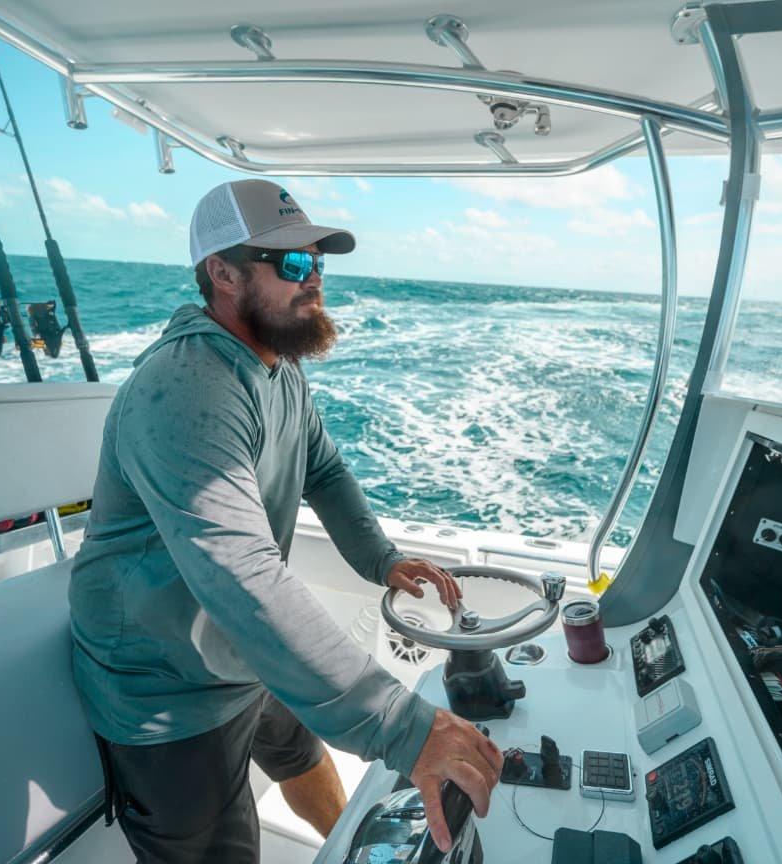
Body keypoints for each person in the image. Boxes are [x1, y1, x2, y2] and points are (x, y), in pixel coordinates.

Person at [68, 179, 501, 863]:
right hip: (164, 689)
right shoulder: (183, 389)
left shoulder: (278, 369)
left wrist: (380, 558)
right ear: (223, 273)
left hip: (240, 652)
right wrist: (406, 728)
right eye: (293, 264)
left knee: (303, 757)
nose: (315, 280)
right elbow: (243, 578)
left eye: (319, 262)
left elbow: (322, 469)